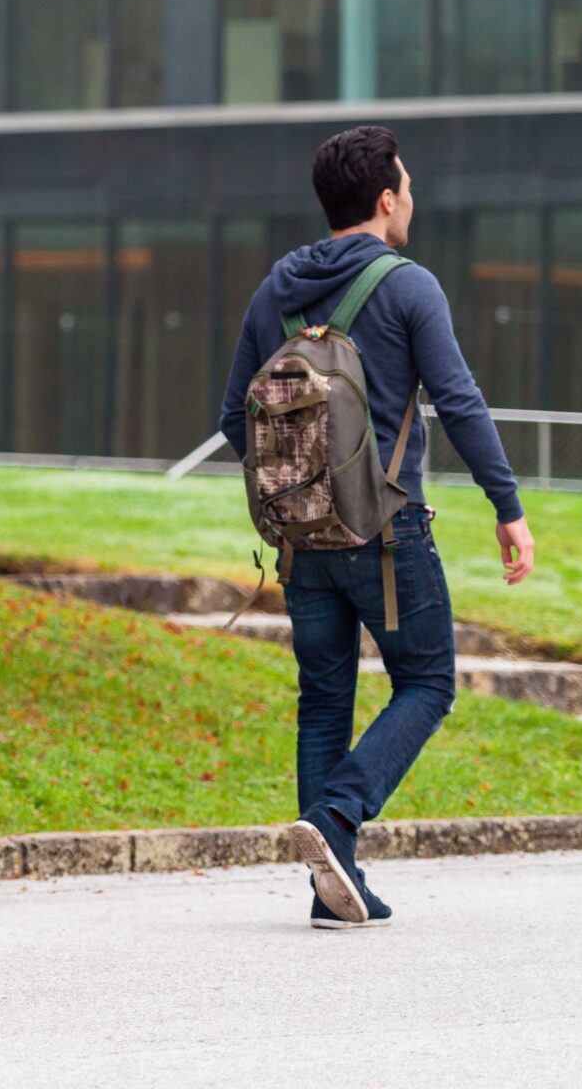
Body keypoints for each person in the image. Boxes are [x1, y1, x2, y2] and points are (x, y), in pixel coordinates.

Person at [219, 123, 535, 929]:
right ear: (387, 199)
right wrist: (507, 507)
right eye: (408, 187)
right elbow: (459, 402)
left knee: (323, 699)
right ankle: (337, 818)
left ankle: (334, 886)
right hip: (388, 534)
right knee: (428, 683)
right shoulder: (408, 285)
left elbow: (233, 418)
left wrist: (301, 486)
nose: (413, 200)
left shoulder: (275, 289)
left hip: (302, 544)